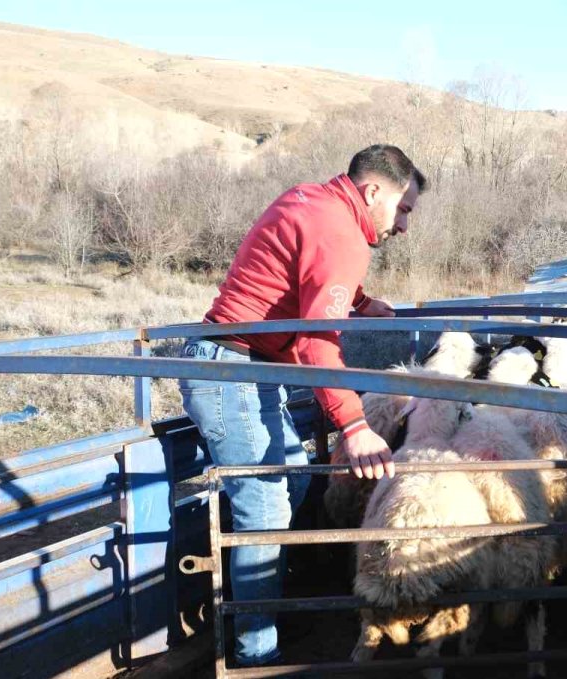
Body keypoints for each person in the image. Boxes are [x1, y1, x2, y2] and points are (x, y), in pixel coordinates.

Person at [179, 144, 426, 666]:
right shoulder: (342, 231)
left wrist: (359, 302)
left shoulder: (314, 202)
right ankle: (256, 658)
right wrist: (354, 424)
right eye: (403, 209)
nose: (403, 226)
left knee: (289, 479)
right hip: (231, 370)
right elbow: (316, 342)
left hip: (246, 365)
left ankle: (263, 611)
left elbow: (302, 272)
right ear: (374, 191)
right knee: (265, 511)